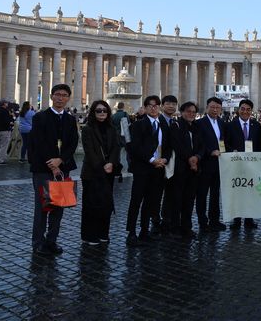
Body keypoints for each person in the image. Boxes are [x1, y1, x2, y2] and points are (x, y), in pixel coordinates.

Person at [29, 84, 79, 255]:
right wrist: (51, 163)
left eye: (64, 95)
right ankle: (38, 242)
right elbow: (37, 142)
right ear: (51, 96)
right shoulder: (40, 117)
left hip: (63, 167)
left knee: (59, 205)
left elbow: (72, 143)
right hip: (43, 168)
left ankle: (52, 241)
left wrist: (61, 160)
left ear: (68, 98)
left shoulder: (71, 119)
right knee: (43, 206)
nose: (60, 98)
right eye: (57, 94)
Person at [125, 95, 171, 247]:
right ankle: (131, 233)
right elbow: (134, 147)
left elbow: (168, 146)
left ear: (159, 107)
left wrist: (164, 159)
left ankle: (144, 231)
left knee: (151, 202)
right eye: (150, 105)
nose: (153, 108)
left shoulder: (164, 125)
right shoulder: (137, 125)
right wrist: (152, 160)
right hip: (143, 169)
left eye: (156, 105)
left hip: (158, 169)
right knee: (136, 201)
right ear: (144, 108)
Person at [80, 100, 121, 245]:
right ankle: (89, 235)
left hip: (108, 171)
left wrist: (111, 163)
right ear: (93, 112)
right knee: (91, 205)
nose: (102, 113)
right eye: (98, 110)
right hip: (92, 172)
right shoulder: (87, 129)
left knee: (106, 204)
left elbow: (117, 147)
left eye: (104, 110)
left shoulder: (112, 128)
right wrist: (102, 165)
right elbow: (89, 151)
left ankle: (103, 232)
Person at [168, 101, 204, 239]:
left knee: (189, 199)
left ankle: (187, 227)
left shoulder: (196, 127)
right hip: (180, 168)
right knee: (177, 199)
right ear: (182, 112)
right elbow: (177, 145)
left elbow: (202, 145)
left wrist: (197, 157)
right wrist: (190, 158)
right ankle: (174, 227)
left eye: (194, 112)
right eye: (188, 111)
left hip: (194, 169)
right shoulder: (176, 126)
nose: (191, 114)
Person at [225, 98, 261, 229]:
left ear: (251, 111)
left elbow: (259, 144)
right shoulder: (230, 125)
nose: (245, 112)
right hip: (235, 164)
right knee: (237, 192)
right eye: (243, 109)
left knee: (250, 192)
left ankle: (249, 219)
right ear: (238, 110)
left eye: (248, 110)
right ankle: (236, 219)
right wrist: (231, 151)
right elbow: (226, 143)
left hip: (251, 165)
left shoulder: (256, 125)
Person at [196, 97, 227, 233]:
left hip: (219, 164)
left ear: (220, 109)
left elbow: (222, 141)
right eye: (212, 107)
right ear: (207, 107)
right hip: (205, 163)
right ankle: (203, 222)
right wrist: (209, 152)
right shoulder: (200, 123)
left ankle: (214, 220)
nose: (215, 110)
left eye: (217, 108)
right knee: (202, 194)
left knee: (215, 194)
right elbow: (199, 143)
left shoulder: (221, 122)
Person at [155, 95, 179, 233]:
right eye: (168, 104)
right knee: (156, 194)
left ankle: (166, 219)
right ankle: (155, 219)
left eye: (173, 104)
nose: (171, 106)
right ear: (162, 105)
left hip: (172, 164)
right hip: (159, 163)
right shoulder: (158, 121)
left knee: (170, 193)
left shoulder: (176, 122)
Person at [0, 100, 14, 165]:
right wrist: (11, 122)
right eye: (6, 103)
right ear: (4, 104)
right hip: (4, 130)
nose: (7, 104)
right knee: (4, 145)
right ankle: (0, 159)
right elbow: (6, 121)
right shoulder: (4, 111)